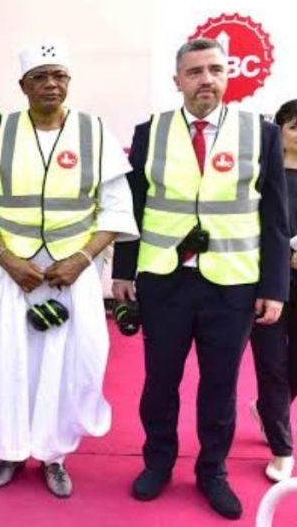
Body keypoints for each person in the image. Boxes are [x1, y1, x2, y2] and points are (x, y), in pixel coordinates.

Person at [112, 38, 288, 520]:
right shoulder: (151, 131)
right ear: (178, 81)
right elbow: (135, 205)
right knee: (160, 381)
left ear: (227, 76)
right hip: (165, 280)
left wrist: (275, 287)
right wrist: (123, 270)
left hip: (232, 284)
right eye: (194, 72)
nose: (205, 79)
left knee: (220, 386)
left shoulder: (262, 134)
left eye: (214, 69)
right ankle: (158, 463)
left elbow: (275, 215)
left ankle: (213, 471)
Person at [0, 42, 137, 498]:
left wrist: (80, 260)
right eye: (40, 77)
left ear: (68, 82)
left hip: (71, 273)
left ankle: (55, 455)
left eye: (58, 75)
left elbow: (116, 212)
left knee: (69, 363)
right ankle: (10, 450)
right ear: (23, 86)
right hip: (11, 273)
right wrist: (7, 260)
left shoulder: (94, 134)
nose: (50, 84)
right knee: (8, 360)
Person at [248, 99, 297, 483]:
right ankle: (282, 448)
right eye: (295, 126)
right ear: (278, 129)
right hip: (267, 284)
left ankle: (265, 408)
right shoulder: (261, 173)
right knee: (272, 366)